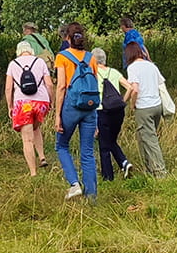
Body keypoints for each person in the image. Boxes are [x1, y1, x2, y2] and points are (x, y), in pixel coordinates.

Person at [54, 23, 99, 201]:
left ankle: (74, 184)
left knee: (61, 145)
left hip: (71, 107)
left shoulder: (62, 57)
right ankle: (91, 196)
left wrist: (57, 115)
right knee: (87, 151)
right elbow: (94, 84)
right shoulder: (91, 58)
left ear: (67, 38)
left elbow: (61, 87)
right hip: (90, 108)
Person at [5, 39, 52, 175]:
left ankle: (33, 173)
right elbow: (49, 84)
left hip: (23, 103)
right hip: (41, 103)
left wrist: (10, 105)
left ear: (18, 51)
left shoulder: (13, 64)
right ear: (31, 50)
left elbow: (8, 88)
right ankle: (42, 156)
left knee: (27, 139)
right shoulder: (40, 62)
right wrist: (51, 101)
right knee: (35, 127)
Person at [123, 42, 168, 177]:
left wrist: (132, 104)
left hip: (144, 107)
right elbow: (161, 83)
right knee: (144, 138)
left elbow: (135, 89)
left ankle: (160, 172)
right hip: (157, 106)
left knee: (150, 139)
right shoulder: (152, 66)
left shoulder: (132, 68)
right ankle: (149, 168)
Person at [91, 46, 133, 180]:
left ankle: (108, 177)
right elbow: (130, 87)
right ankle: (124, 163)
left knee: (104, 145)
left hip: (102, 111)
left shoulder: (93, 74)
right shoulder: (114, 72)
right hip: (118, 111)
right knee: (111, 140)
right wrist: (122, 101)